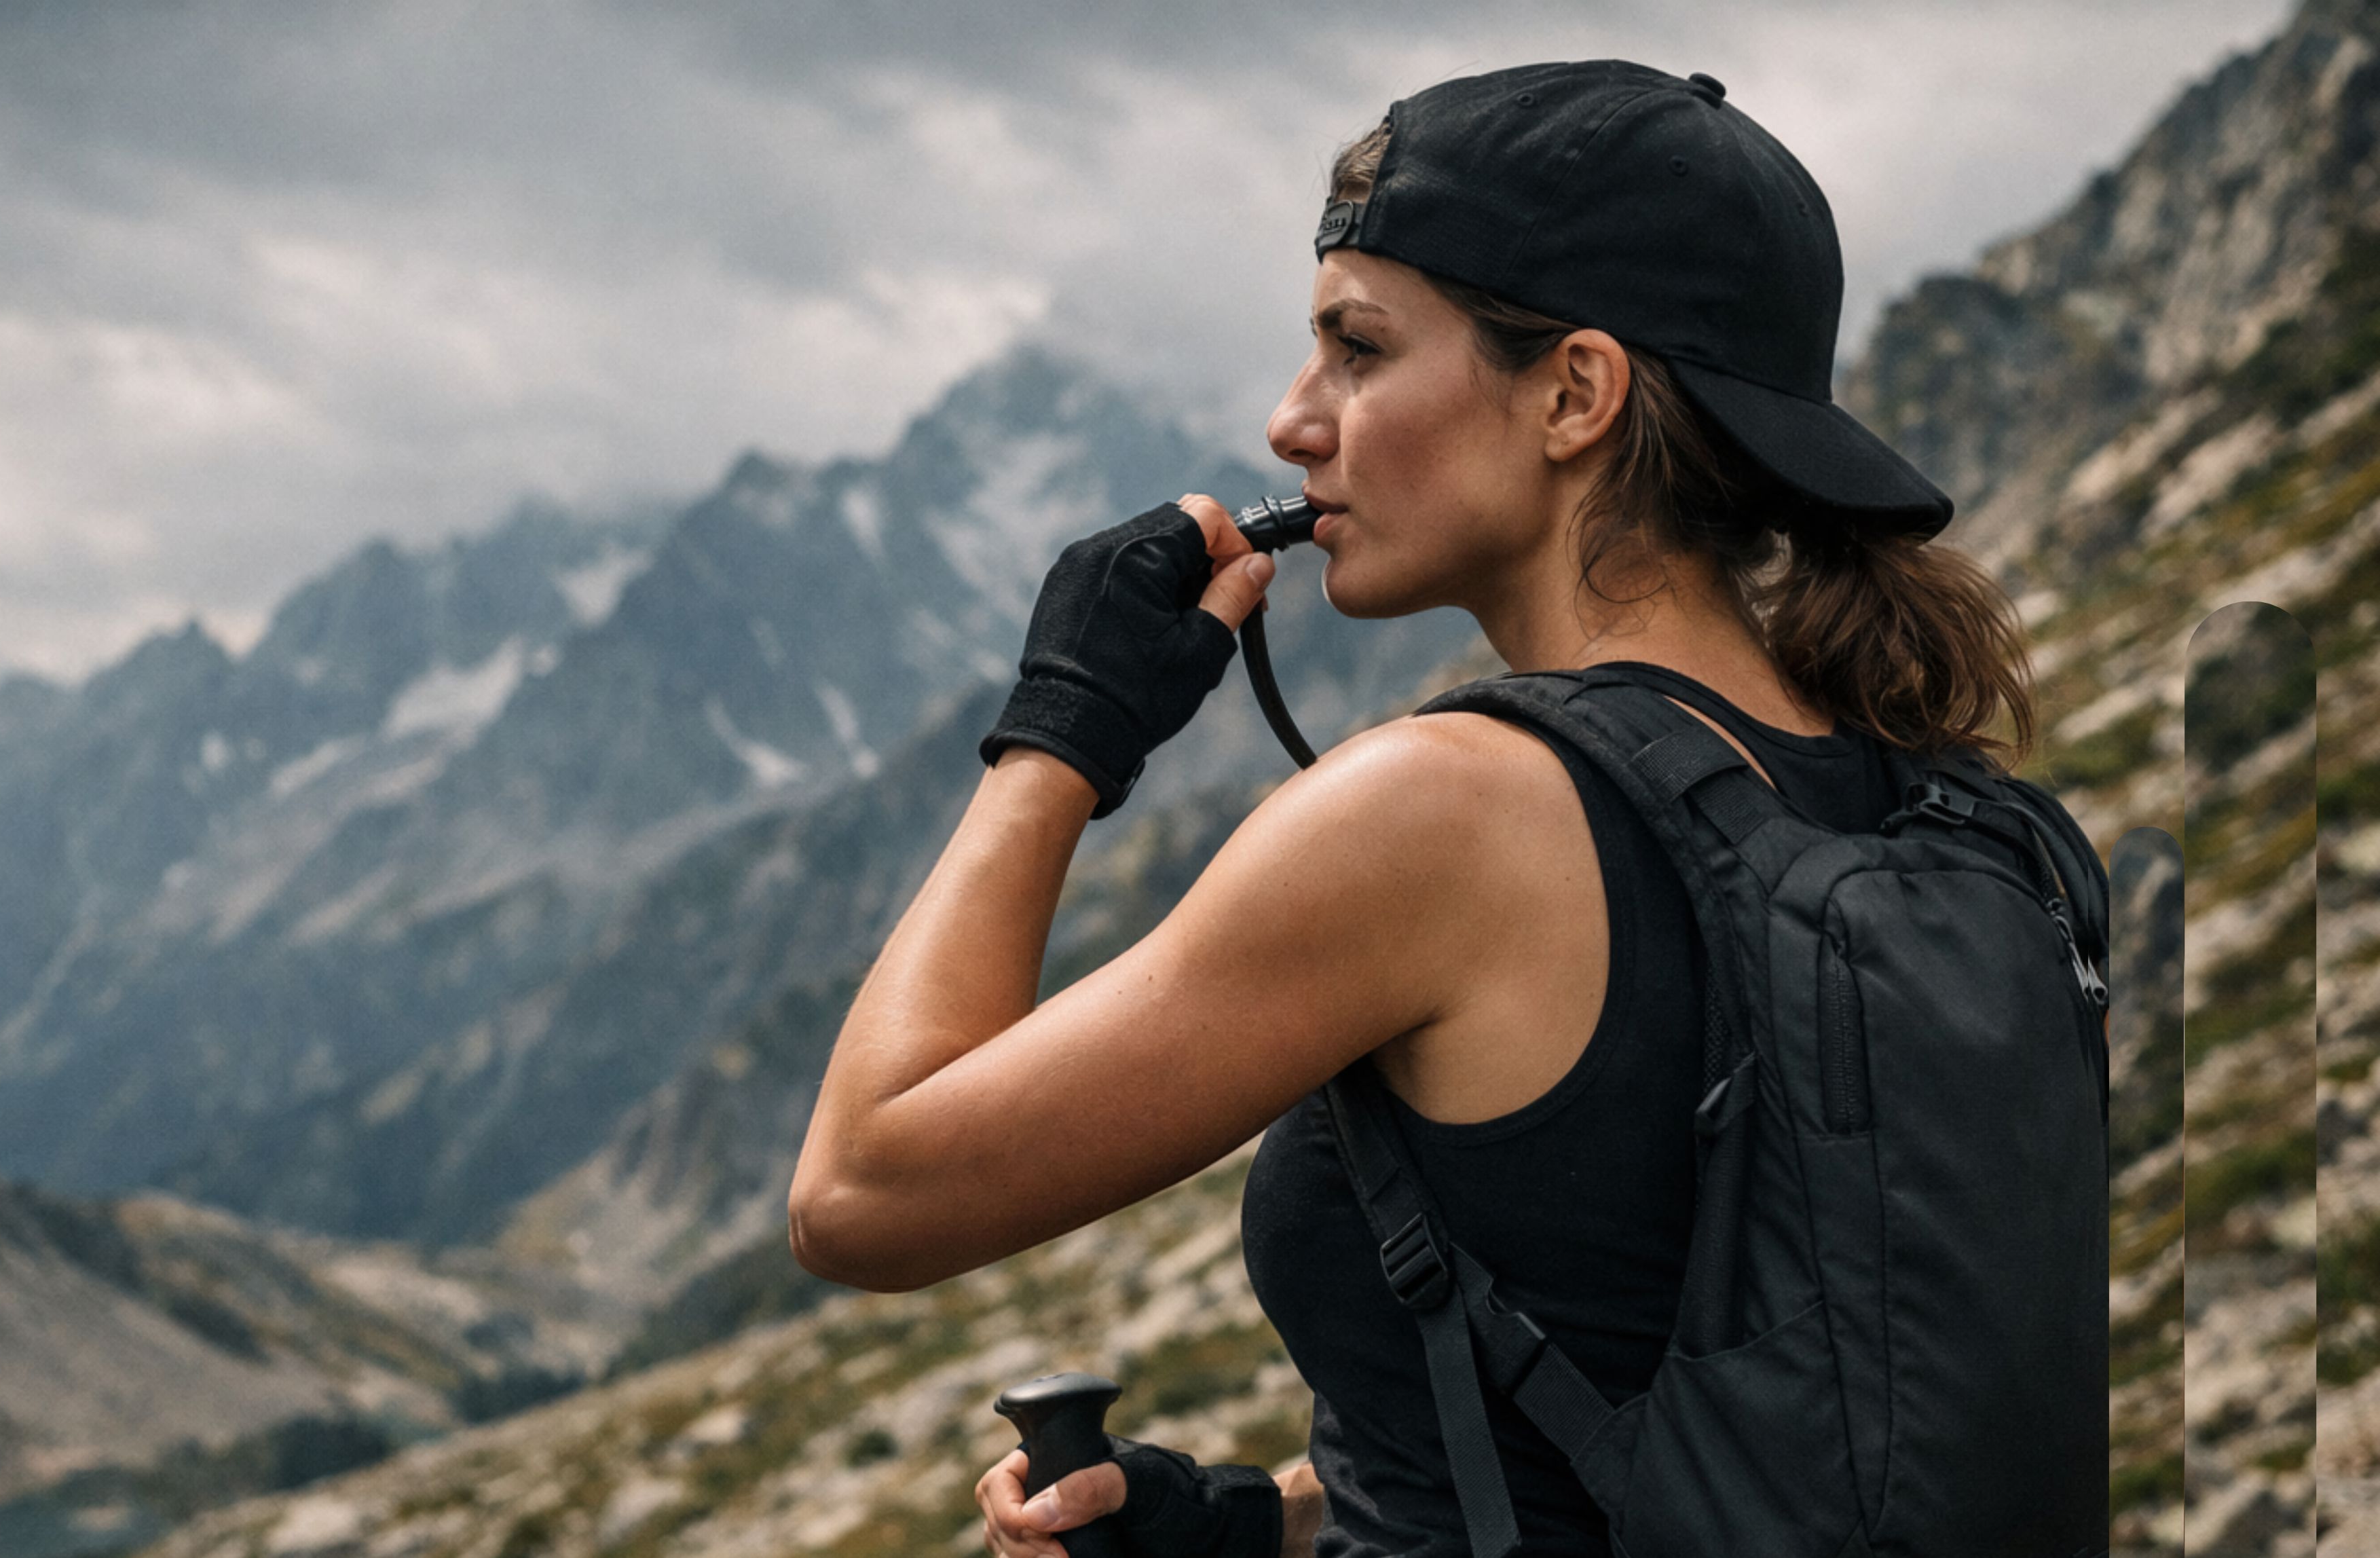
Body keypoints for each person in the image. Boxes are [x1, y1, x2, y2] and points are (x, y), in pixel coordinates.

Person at [787, 61, 2051, 1558]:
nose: (1291, 421)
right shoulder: (1940, 808)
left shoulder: (1446, 812)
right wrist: (1266, 1518)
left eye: (1357, 347)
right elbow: (1713, 1402)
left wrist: (1060, 732)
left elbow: (863, 1193)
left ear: (1576, 392)